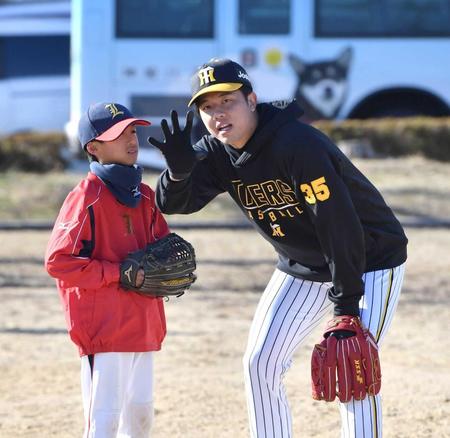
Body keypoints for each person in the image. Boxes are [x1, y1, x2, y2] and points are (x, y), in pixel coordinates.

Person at [149, 58, 408, 437]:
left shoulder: (297, 145)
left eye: (228, 102)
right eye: (207, 107)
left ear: (252, 100)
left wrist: (346, 308)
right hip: (302, 263)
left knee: (355, 366)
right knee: (260, 363)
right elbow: (175, 204)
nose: (218, 114)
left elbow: (338, 224)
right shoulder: (217, 151)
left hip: (369, 258)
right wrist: (178, 172)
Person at [45, 102, 170, 438]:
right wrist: (118, 273)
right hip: (105, 329)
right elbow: (59, 261)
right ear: (93, 148)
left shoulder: (143, 194)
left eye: (131, 130)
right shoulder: (86, 195)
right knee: (105, 422)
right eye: (117, 134)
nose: (130, 139)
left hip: (143, 323)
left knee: (141, 419)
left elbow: (163, 248)